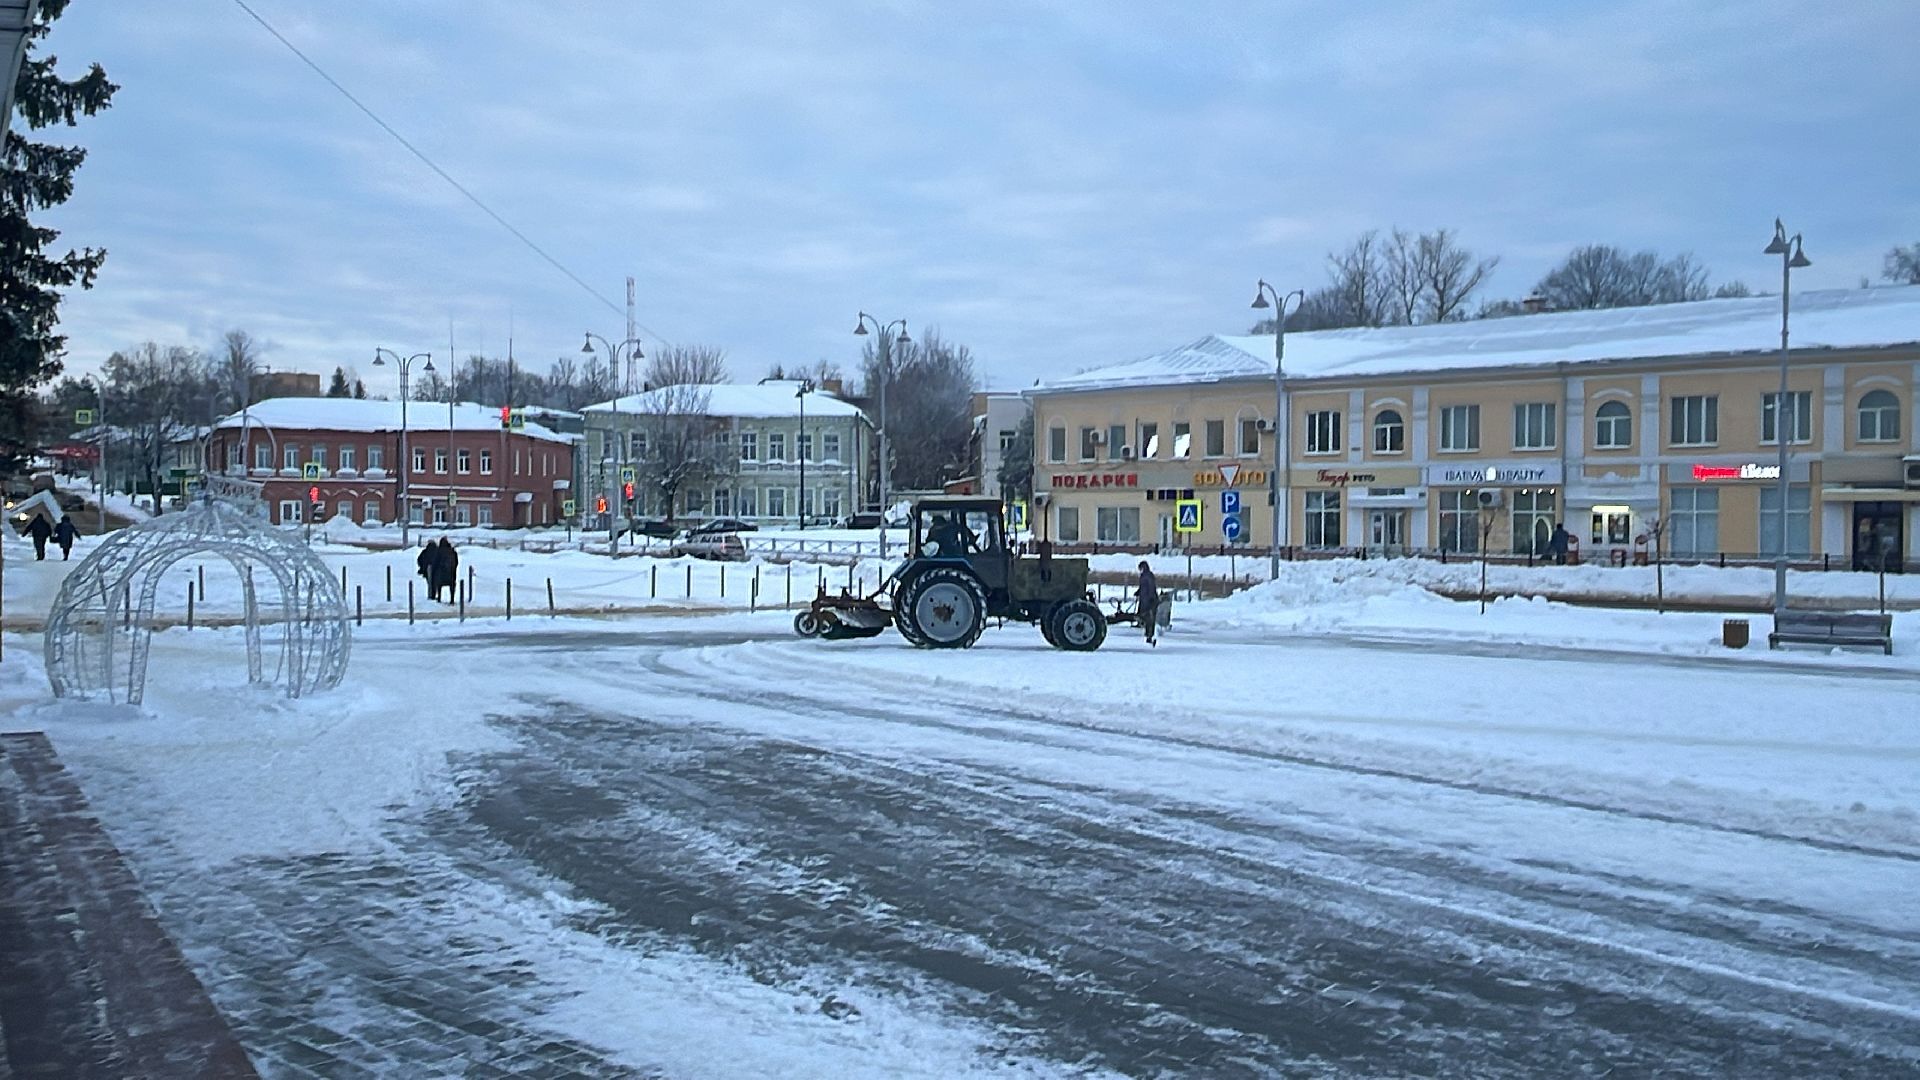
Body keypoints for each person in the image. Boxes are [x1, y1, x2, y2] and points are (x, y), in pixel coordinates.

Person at [1134, 560, 1159, 647]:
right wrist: (1138, 592)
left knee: (1149, 618)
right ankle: (1146, 631)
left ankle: (1149, 635)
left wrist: (1152, 598)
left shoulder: (1148, 576)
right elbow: (1143, 587)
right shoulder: (1143, 576)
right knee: (1143, 615)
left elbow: (1151, 587)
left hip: (1149, 600)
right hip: (1144, 599)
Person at [435, 538, 460, 604]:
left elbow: (436, 562)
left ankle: (439, 598)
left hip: (441, 572)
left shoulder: (439, 551)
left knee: (439, 585)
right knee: (452, 585)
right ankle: (452, 599)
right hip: (451, 572)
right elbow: (456, 562)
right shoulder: (452, 551)